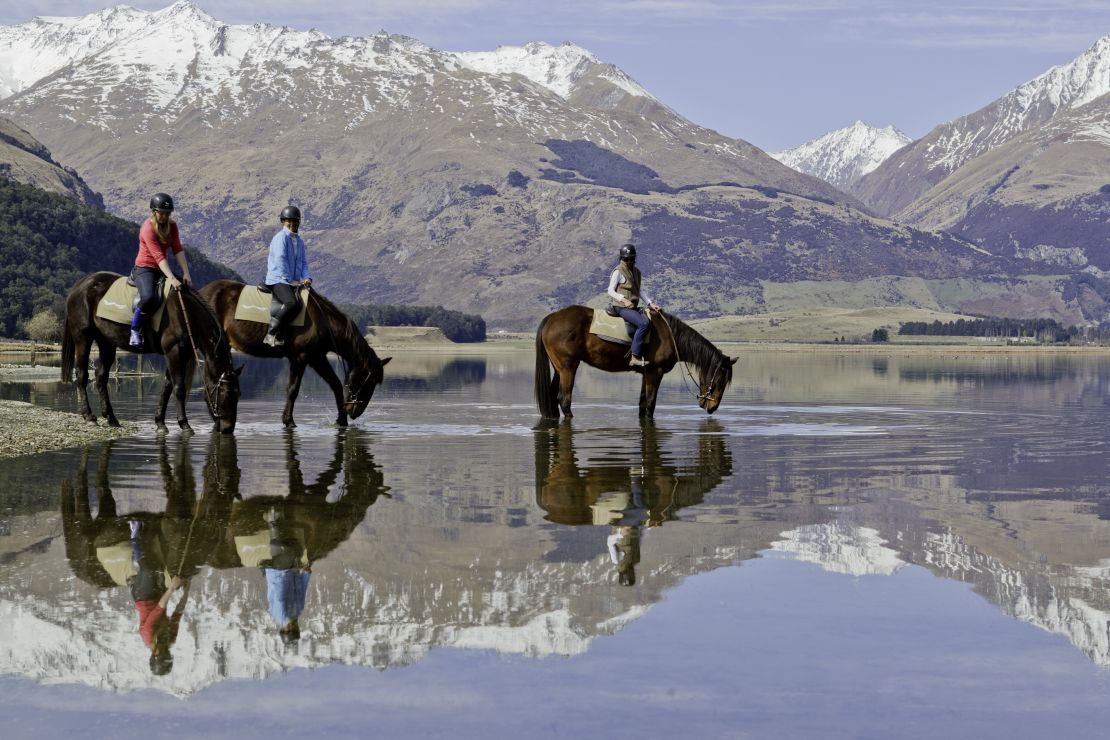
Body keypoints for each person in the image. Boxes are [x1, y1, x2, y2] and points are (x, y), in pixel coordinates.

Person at [127, 518, 189, 675]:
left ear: (155, 654)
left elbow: (158, 610)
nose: (165, 651)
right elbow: (177, 614)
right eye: (167, 654)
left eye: (163, 654)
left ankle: (134, 535)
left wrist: (172, 589)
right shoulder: (170, 639)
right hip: (159, 595)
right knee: (166, 567)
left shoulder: (147, 636)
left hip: (143, 596)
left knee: (149, 568)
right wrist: (187, 590)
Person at [130, 193, 191, 347]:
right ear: (153, 211)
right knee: (149, 297)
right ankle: (135, 331)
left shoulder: (173, 226)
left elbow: (178, 249)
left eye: (167, 213)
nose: (164, 216)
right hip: (145, 268)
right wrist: (171, 278)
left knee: (185, 292)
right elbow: (158, 256)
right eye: (161, 213)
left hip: (161, 269)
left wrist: (186, 273)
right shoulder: (147, 229)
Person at [263, 205, 312, 347]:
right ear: (282, 222)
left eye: (295, 221)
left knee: (300, 305)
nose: (292, 224)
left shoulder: (300, 242)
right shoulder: (280, 238)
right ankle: (271, 333)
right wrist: (291, 282)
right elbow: (280, 261)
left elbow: (303, 263)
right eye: (288, 221)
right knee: (291, 303)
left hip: (293, 281)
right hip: (278, 279)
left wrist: (307, 277)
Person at [606, 243, 660, 367]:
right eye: (626, 259)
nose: (628, 261)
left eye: (631, 259)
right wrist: (624, 300)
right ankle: (635, 356)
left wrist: (651, 303)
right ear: (622, 258)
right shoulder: (618, 271)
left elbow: (639, 290)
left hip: (632, 306)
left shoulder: (636, 272)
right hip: (620, 307)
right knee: (644, 323)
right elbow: (610, 290)